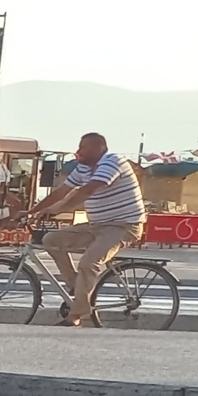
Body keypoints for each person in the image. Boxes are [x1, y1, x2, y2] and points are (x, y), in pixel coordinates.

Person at [32, 132, 148, 328]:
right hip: (97, 225)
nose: (79, 151)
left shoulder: (113, 162)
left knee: (89, 262)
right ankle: (76, 286)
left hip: (123, 226)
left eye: (83, 147)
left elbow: (87, 190)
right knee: (51, 240)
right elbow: (62, 191)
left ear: (100, 148)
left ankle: (76, 315)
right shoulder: (83, 168)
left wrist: (56, 210)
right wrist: (32, 211)